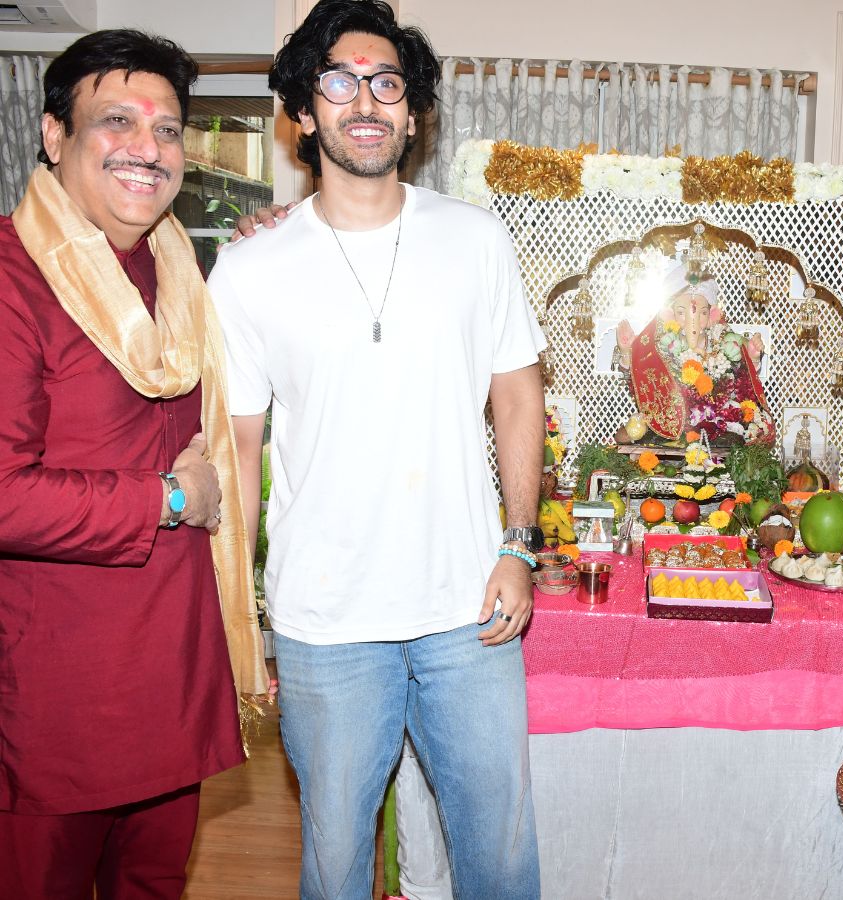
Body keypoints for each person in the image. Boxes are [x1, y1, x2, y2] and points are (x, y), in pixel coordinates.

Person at [207, 2, 544, 898]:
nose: (366, 100)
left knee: (502, 858)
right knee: (335, 862)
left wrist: (519, 545)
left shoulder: (476, 240)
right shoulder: (249, 268)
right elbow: (239, 446)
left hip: (469, 611)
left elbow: (518, 394)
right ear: (302, 111)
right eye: (340, 81)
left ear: (414, 113)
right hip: (325, 625)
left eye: (387, 82)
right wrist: (240, 615)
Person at [0, 29, 268, 899]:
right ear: (54, 136)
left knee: (153, 885)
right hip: (56, 691)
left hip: (172, 670)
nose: (147, 148)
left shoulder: (181, 270)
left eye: (167, 129)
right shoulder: (12, 275)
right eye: (117, 121)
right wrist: (166, 500)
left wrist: (270, 236)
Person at [615, 265, 774, 446]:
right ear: (671, 315)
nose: (693, 319)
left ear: (712, 315)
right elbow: (641, 381)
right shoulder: (664, 344)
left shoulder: (722, 342)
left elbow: (743, 382)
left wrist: (752, 358)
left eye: (703, 313)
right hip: (673, 424)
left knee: (733, 438)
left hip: (717, 423)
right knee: (633, 436)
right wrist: (627, 353)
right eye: (681, 313)